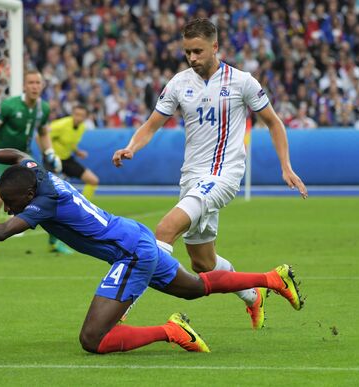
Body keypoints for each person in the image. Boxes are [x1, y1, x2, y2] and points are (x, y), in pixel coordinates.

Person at [0, 146, 304, 354]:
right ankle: (271, 278)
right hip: (135, 236)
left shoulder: (43, 202)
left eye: (14, 202)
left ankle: (171, 330)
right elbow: (17, 156)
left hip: (131, 254)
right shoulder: (36, 176)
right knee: (195, 287)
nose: (10, 208)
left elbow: (3, 232)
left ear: (26, 195)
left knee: (93, 339)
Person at [112, 18, 308, 330]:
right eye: (187, 52)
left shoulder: (241, 81)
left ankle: (120, 308)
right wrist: (131, 146)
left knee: (163, 230)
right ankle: (253, 296)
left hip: (223, 177)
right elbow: (151, 125)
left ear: (215, 47)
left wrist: (286, 166)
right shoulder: (178, 84)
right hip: (192, 178)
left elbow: (273, 122)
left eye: (198, 51)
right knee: (203, 263)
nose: (192, 58)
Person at [0, 69, 63, 257]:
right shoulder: (9, 106)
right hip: (2, 157)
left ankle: (54, 242)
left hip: (24, 158)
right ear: (24, 85)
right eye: (31, 83)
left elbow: (44, 133)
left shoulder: (43, 108)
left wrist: (50, 152)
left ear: (42, 86)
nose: (34, 86)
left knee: (48, 194)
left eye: (38, 83)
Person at [47, 105, 99, 253]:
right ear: (72, 114)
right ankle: (54, 241)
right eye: (76, 114)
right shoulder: (60, 125)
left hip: (67, 159)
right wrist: (49, 155)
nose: (78, 118)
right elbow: (41, 136)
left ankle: (82, 206)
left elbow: (69, 143)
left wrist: (78, 151)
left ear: (85, 117)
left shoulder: (81, 127)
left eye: (81, 115)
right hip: (54, 161)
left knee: (93, 180)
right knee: (55, 200)